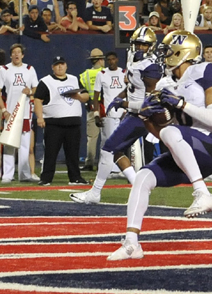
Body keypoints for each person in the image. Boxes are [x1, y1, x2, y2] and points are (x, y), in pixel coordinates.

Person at [106, 30, 212, 261]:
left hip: (209, 146)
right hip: (183, 149)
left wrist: (181, 104)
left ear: (183, 52)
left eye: (168, 51)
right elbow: (164, 135)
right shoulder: (165, 83)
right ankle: (131, 243)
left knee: (173, 131)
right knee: (142, 177)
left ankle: (203, 193)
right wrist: (146, 117)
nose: (164, 56)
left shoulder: (206, 70)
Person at [70, 28, 162, 204]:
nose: (141, 47)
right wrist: (119, 98)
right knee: (116, 151)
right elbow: (132, 88)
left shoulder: (151, 67)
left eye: (145, 44)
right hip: (134, 113)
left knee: (107, 149)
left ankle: (95, 193)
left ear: (151, 46)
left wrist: (125, 104)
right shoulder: (134, 60)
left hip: (143, 116)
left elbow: (151, 102)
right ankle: (139, 187)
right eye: (138, 44)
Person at [34, 56, 90, 186]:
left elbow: (86, 95)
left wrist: (78, 96)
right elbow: (38, 100)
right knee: (50, 152)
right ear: (53, 67)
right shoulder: (45, 81)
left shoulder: (74, 79)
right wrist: (40, 117)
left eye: (62, 64)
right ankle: (46, 178)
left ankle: (75, 177)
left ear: (66, 66)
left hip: (73, 123)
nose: (60, 67)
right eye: (57, 65)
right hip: (54, 123)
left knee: (73, 153)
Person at [0, 44, 39, 183]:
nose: (16, 55)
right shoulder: (4, 70)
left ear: (23, 55)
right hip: (11, 113)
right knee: (9, 144)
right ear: (11, 55)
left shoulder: (30, 69)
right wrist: (3, 110)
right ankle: (7, 175)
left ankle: (24, 174)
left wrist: (30, 92)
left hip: (25, 112)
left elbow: (36, 88)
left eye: (19, 52)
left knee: (25, 144)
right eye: (14, 52)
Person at [79, 48, 105, 172]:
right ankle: (106, 163)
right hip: (105, 108)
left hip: (91, 108)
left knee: (91, 138)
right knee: (107, 137)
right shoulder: (105, 73)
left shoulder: (85, 75)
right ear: (100, 60)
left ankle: (89, 163)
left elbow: (82, 93)